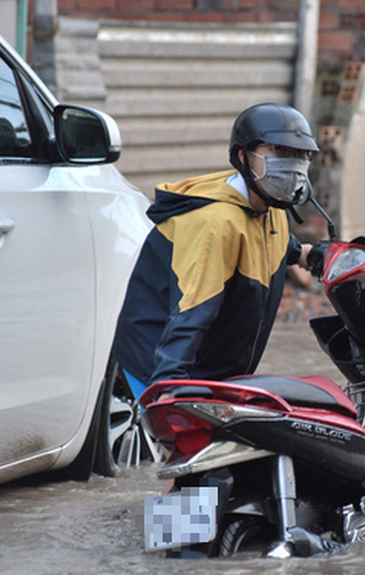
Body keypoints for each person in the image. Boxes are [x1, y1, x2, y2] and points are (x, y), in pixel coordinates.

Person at [113, 103, 319, 398]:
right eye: (279, 151)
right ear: (243, 156)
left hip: (215, 371)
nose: (292, 163)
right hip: (161, 363)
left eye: (300, 154)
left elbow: (262, 241)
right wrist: (169, 387)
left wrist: (304, 255)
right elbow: (192, 311)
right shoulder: (215, 223)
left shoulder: (270, 208)